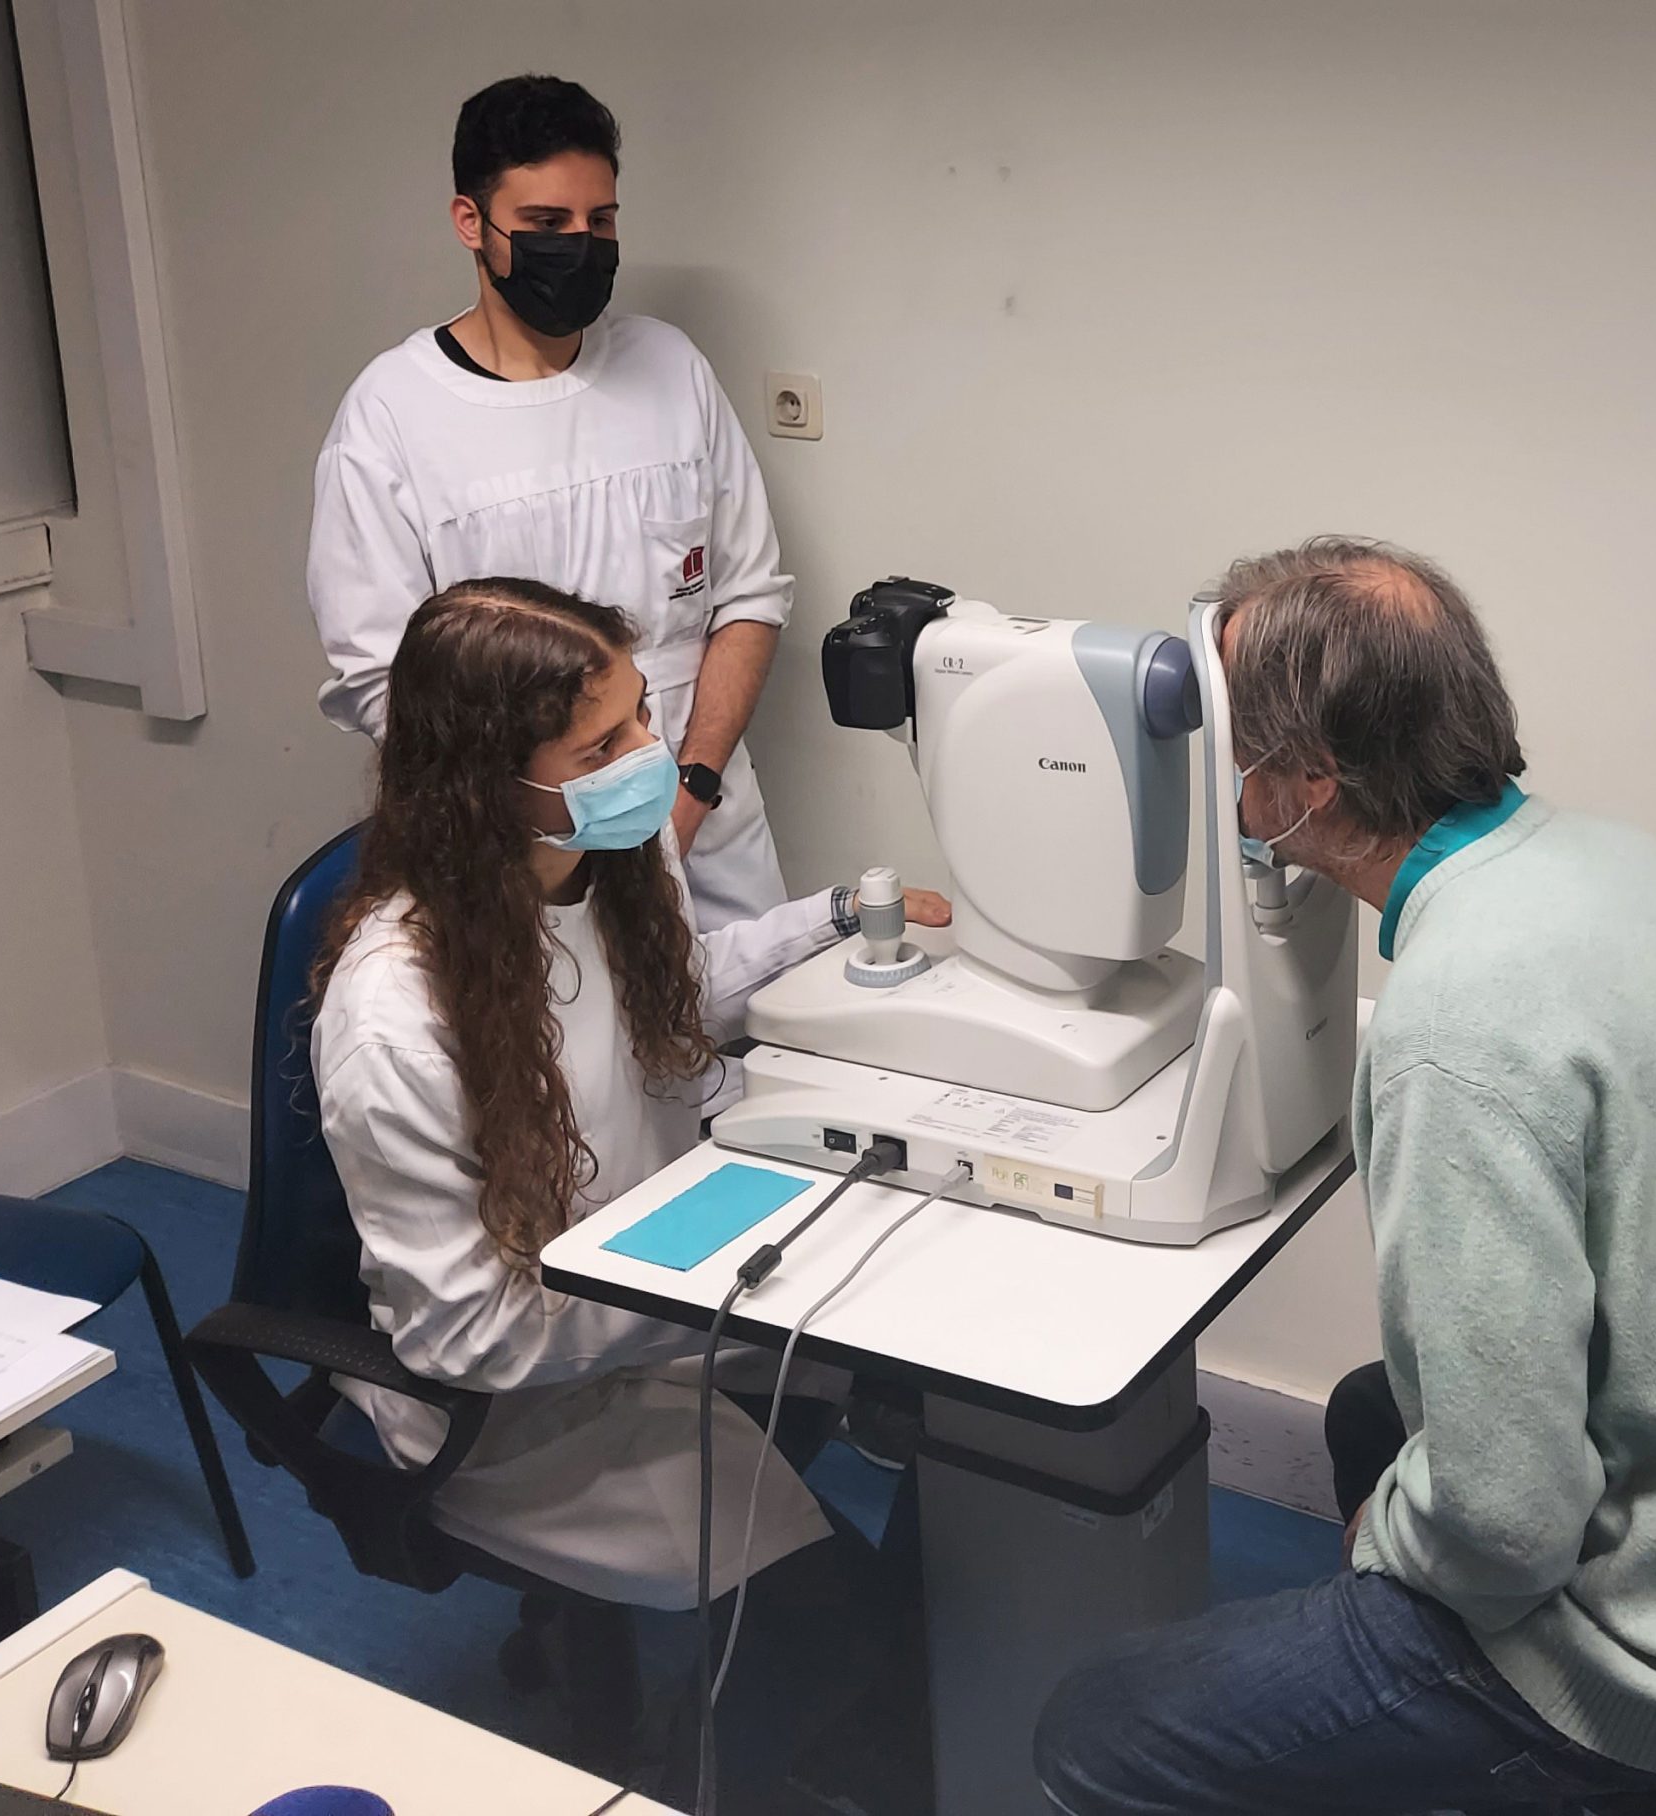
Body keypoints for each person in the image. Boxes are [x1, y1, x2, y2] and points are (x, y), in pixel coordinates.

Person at [1035, 538, 1656, 1815]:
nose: (1221, 776)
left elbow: (1507, 1523)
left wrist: (1391, 1552)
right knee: (1367, 1411)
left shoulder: (1457, 1027)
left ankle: (1495, 1735)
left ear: (1308, 780)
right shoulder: (1614, 864)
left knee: (1095, 1729)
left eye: (1232, 746)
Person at [310, 577, 944, 1809]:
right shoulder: (394, 1018)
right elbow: (469, 1336)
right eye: (600, 747)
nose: (651, 756)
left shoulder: (600, 853)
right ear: (486, 783)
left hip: (650, 1302)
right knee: (840, 1641)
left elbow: (662, 996)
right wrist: (716, 1295)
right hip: (516, 1409)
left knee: (942, 1384)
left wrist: (824, 920)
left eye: (639, 714)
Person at [308, 74, 792, 930]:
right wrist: (550, 841)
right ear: (472, 222)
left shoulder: (672, 370)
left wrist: (689, 794)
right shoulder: (393, 417)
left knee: (743, 1012)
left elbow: (750, 599)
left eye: (599, 222)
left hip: (704, 831)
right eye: (545, 223)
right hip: (520, 864)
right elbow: (388, 682)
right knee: (556, 1020)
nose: (579, 244)